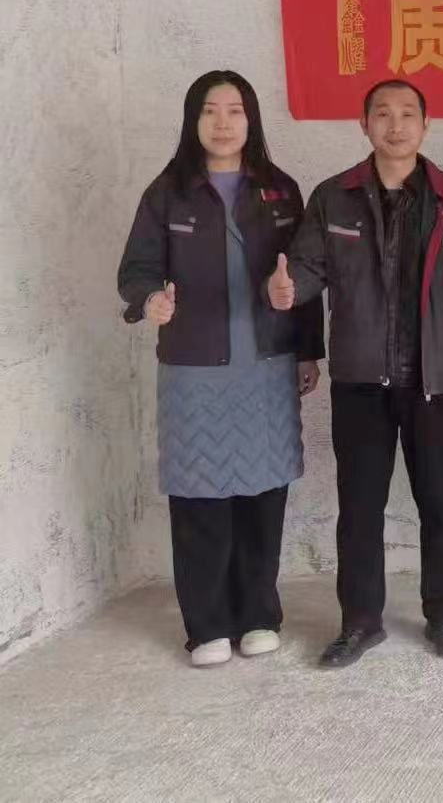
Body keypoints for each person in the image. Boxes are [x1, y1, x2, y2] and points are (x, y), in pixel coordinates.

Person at [270, 79, 443, 669]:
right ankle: (360, 622)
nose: (395, 126)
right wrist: (289, 289)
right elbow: (308, 269)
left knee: (441, 503)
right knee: (360, 508)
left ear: (425, 124)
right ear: (364, 124)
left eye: (407, 114)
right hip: (361, 380)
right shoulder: (334, 197)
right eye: (383, 114)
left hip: (436, 379)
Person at [117, 70, 324, 668]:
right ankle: (206, 625)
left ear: (252, 119)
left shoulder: (280, 191)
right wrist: (149, 300)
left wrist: (307, 351)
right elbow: (136, 269)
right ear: (193, 120)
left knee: (263, 494)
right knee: (199, 496)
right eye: (210, 111)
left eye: (235, 110)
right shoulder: (168, 192)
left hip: (266, 365)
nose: (223, 123)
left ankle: (258, 615)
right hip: (194, 370)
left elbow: (305, 277)